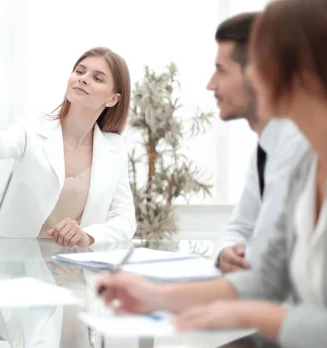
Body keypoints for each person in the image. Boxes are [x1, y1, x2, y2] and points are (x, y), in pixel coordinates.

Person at [96, 1, 327, 346]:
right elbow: (266, 276)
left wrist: (246, 315)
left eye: (262, 62)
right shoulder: (304, 164)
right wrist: (155, 295)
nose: (254, 74)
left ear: (303, 70)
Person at [0, 47, 136, 247]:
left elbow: (125, 220)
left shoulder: (115, 148)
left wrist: (88, 236)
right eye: (80, 71)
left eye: (98, 78)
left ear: (112, 99)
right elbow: (1, 145)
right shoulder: (34, 126)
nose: (83, 79)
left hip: (66, 267)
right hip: (7, 256)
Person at [207, 12, 305, 273]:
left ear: (260, 74)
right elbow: (240, 226)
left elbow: (271, 267)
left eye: (221, 71)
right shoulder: (265, 149)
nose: (210, 85)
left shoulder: (298, 148)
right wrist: (226, 251)